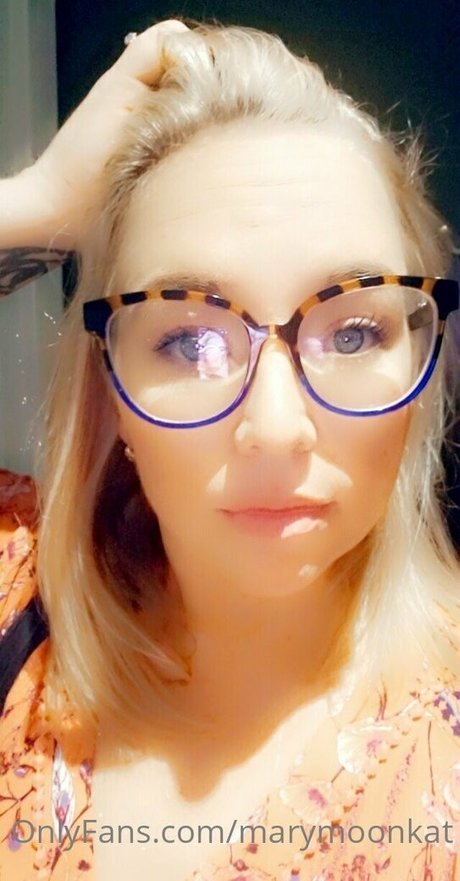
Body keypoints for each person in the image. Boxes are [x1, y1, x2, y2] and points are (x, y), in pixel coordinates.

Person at [0, 18, 459, 881]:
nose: (277, 430)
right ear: (111, 389)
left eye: (353, 332)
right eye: (189, 341)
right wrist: (38, 203)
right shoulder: (16, 597)